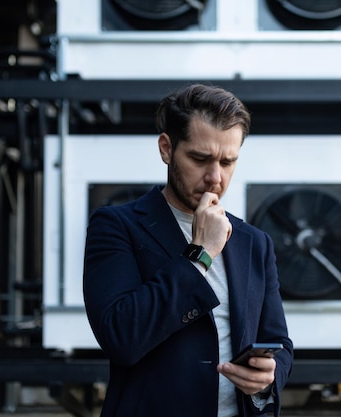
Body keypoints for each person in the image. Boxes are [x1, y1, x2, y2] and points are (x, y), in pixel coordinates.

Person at [83, 83, 293, 417]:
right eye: (200, 158)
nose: (215, 177)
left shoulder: (254, 242)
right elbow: (121, 338)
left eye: (228, 162)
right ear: (166, 148)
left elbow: (279, 344)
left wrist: (267, 380)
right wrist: (201, 253)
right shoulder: (117, 225)